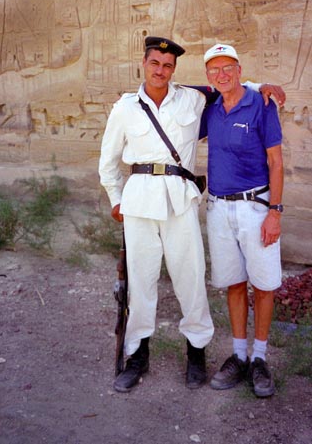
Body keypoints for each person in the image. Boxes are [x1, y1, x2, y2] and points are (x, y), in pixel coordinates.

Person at [99, 36, 285, 393]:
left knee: (191, 279)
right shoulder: (124, 108)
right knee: (140, 281)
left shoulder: (192, 98)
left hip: (180, 201)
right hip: (139, 203)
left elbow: (227, 86)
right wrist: (115, 199)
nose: (161, 71)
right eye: (155, 63)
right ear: (144, 63)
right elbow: (108, 162)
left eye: (168, 66)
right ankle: (138, 355)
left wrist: (259, 86)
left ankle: (196, 353)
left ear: (174, 70)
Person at [200, 43, 284, 398]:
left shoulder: (261, 104)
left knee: (263, 285)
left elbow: (276, 163)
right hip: (219, 209)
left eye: (228, 68)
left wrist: (274, 212)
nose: (222, 75)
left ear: (238, 68)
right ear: (208, 75)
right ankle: (237, 354)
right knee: (233, 283)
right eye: (214, 69)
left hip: (255, 207)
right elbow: (175, 91)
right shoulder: (211, 109)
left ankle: (260, 358)